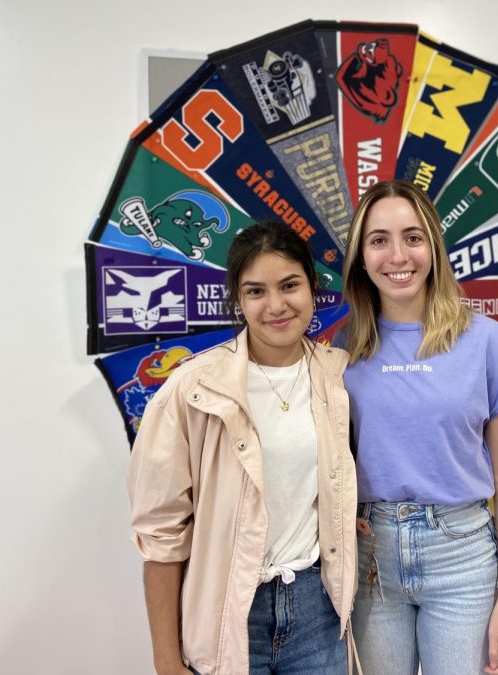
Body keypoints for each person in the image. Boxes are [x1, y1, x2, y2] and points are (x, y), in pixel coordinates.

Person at [127, 222, 358, 675]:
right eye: (256, 291)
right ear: (238, 299)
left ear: (313, 287)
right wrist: (166, 659)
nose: (276, 305)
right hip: (229, 613)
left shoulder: (340, 376)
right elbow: (160, 535)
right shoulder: (193, 389)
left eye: (289, 285)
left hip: (318, 611)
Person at [338, 180, 498, 675]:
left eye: (413, 237)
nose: (397, 255)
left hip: (462, 556)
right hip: (370, 562)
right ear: (361, 256)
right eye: (379, 240)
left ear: (434, 249)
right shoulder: (343, 350)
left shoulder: (486, 341)